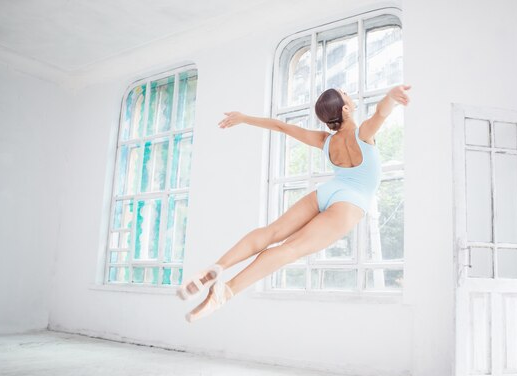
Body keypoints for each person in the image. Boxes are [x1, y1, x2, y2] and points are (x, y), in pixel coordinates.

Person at [176, 84, 412, 322]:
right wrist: (391, 97)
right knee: (290, 249)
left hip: (328, 191)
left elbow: (281, 126)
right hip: (351, 201)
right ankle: (225, 292)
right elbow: (381, 113)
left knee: (272, 232)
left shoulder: (325, 141)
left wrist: (244, 118)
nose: (348, 93)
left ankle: (217, 267)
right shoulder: (363, 134)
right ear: (346, 107)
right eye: (345, 94)